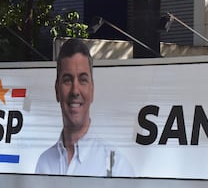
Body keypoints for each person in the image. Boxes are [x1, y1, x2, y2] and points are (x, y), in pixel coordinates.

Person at [35, 38, 134, 177]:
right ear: (57, 90)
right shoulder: (44, 163)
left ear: (92, 90)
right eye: (67, 80)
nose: (75, 91)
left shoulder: (116, 166)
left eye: (83, 80)